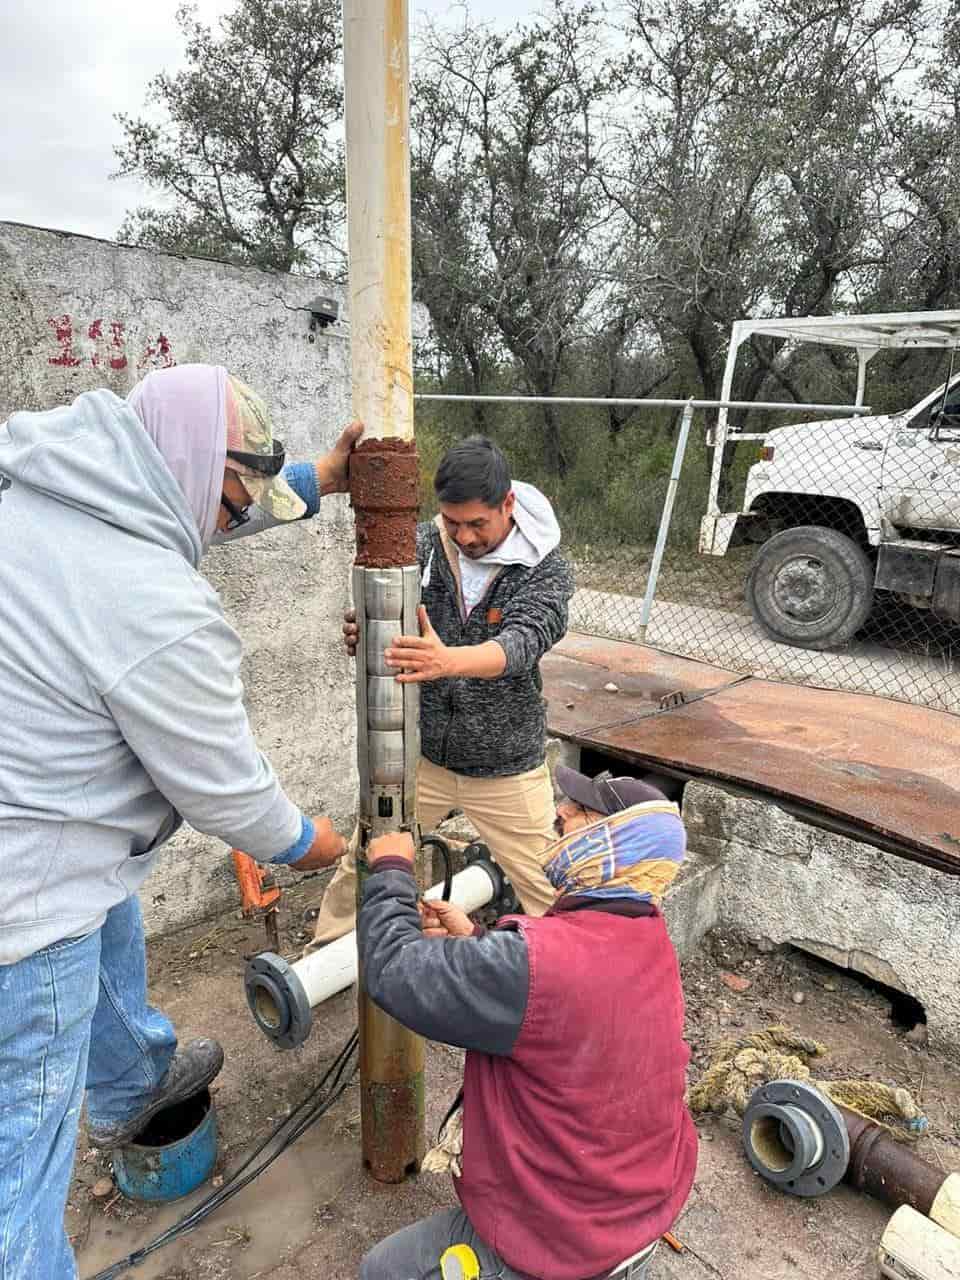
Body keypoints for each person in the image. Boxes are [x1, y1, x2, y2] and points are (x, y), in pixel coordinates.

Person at [0, 364, 356, 1280]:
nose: (235, 518)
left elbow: (204, 505)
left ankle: (129, 1082)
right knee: (16, 1177)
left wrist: (317, 477)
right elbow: (228, 794)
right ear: (198, 469)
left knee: (109, 911)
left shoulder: (62, 489)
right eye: (238, 498)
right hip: (21, 900)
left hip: (49, 845)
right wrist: (314, 842)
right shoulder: (151, 603)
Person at [356, 765, 698, 1280]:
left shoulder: (534, 966)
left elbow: (391, 970)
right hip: (641, 1210)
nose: (559, 812)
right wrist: (476, 940)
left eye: (579, 810)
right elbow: (553, 1000)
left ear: (613, 844)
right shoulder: (645, 934)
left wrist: (390, 869)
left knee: (381, 1270)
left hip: (559, 1240)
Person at [310, 436, 575, 945]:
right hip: (424, 758)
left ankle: (575, 982)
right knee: (365, 860)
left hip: (504, 767)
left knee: (551, 884)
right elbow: (398, 618)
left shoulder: (545, 566)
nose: (465, 536)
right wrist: (369, 629)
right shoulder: (429, 545)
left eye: (477, 523)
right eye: (453, 522)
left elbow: (523, 642)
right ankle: (323, 962)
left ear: (508, 505)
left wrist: (444, 660)